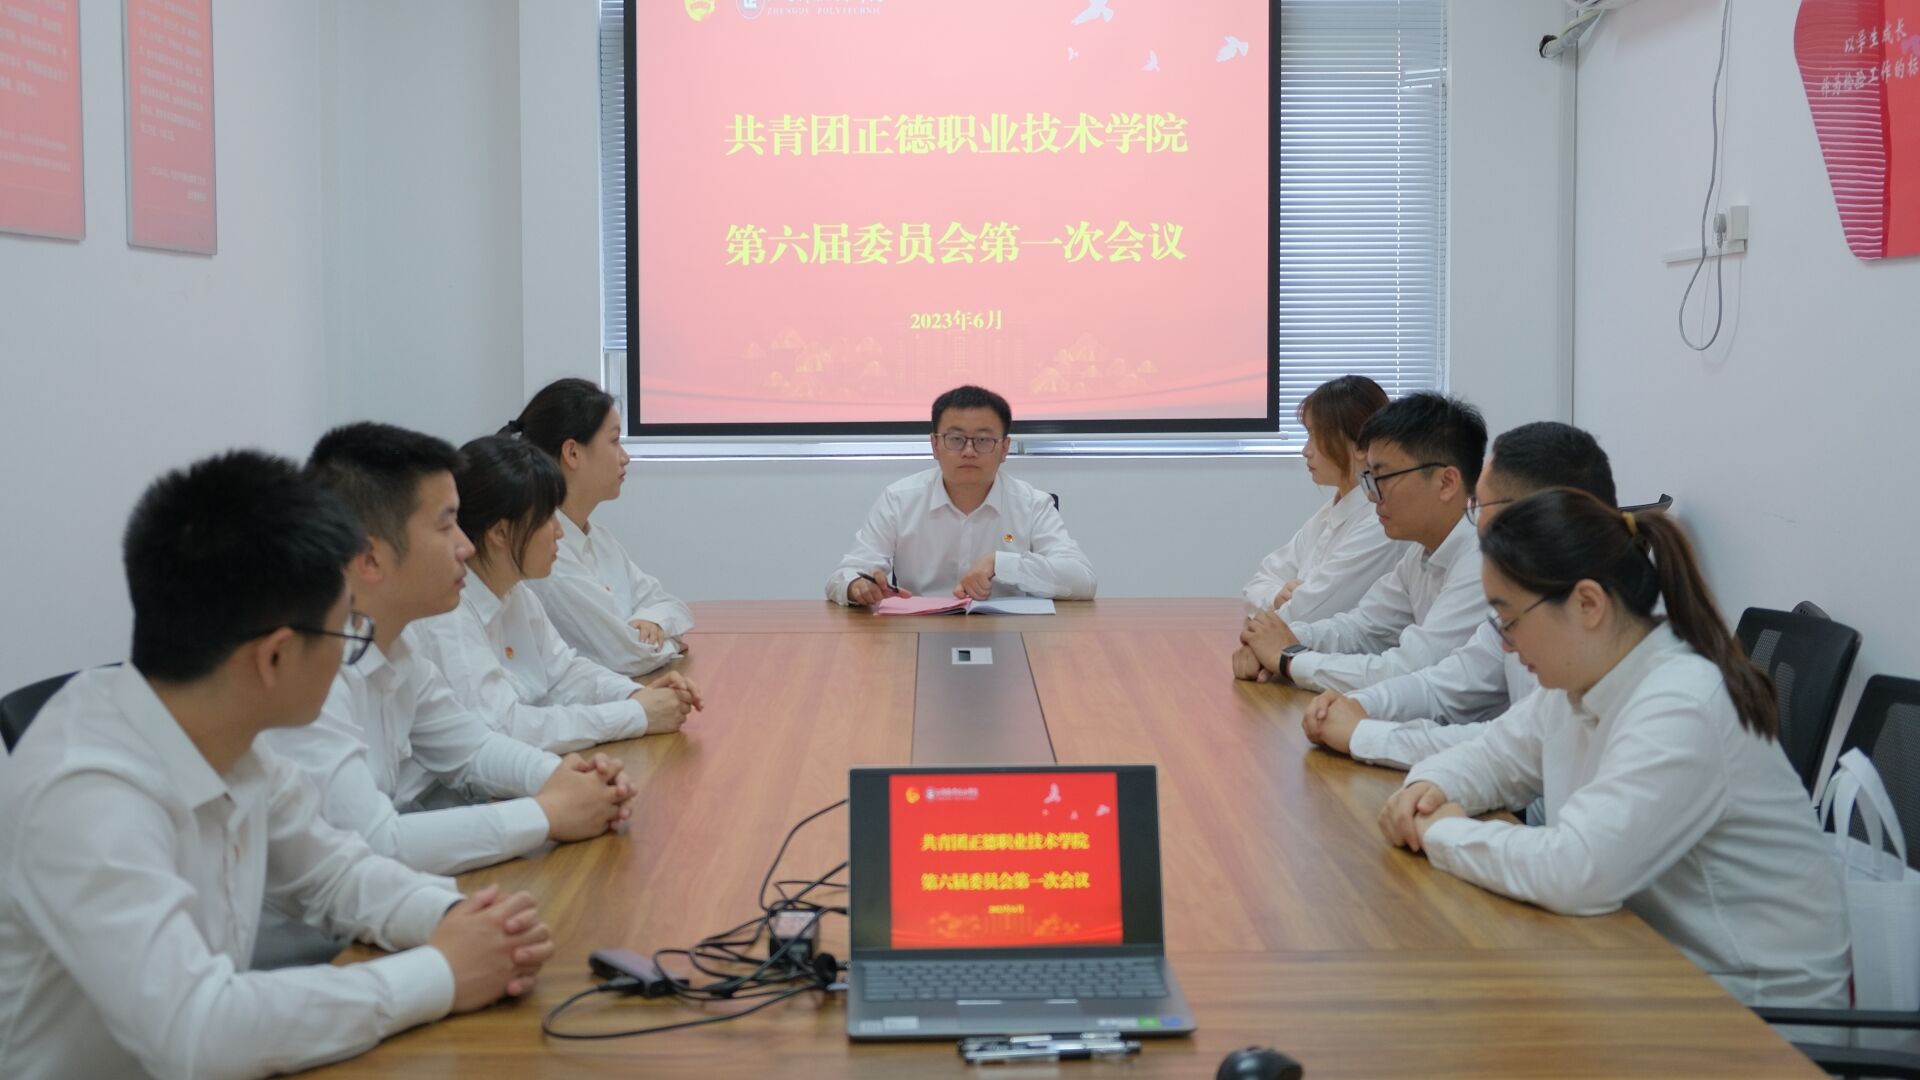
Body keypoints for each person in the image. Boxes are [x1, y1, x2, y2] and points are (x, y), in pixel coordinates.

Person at [0, 451, 553, 1079]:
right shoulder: (85, 791)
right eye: (346, 631)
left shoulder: (230, 736)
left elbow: (336, 874)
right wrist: (441, 972)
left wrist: (457, 920)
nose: (353, 653)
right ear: (274, 658)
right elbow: (198, 1030)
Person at [1377, 489, 1849, 1007]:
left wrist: (1440, 831)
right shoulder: (1583, 678)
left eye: (1509, 621)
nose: (1506, 644)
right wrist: (1431, 786)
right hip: (1647, 964)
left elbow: (1577, 871)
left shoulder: (1681, 704)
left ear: (1588, 604)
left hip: (1755, 1015)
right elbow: (1494, 756)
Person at [261, 423, 637, 876]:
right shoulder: (308, 675)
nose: (465, 545)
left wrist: (563, 778)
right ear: (371, 557)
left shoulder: (396, 646)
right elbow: (376, 842)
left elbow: (473, 747)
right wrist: (549, 813)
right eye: (446, 526)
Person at [1302, 422, 1618, 769]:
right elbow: (1446, 684)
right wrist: (1359, 706)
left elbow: (1507, 748)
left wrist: (1361, 731)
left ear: (1545, 515)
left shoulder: (1648, 689)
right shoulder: (1532, 593)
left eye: (1481, 505)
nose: (1475, 521)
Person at [411, 436, 702, 754]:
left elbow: (565, 673)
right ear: (500, 532)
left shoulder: (515, 593)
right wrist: (635, 714)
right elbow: (502, 729)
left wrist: (634, 695)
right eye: (548, 517)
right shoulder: (447, 614)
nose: (560, 532)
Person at [1237, 392, 1485, 692]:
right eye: (1369, 478)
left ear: (1446, 483)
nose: (1371, 494)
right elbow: (1363, 628)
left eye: (1383, 477)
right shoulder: (1421, 551)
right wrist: (1280, 639)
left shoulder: (1482, 560)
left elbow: (1409, 669)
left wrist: (1287, 657)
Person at [827, 385, 1096, 606]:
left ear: (1004, 448)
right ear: (934, 445)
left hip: (1010, 633)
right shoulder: (899, 500)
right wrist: (856, 586)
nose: (969, 451)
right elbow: (844, 574)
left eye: (983, 440)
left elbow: (1083, 580)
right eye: (955, 439)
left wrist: (1001, 563)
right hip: (919, 633)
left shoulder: (1032, 504)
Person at [514, 379, 694, 676]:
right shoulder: (547, 554)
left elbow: (673, 606)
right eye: (614, 441)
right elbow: (624, 658)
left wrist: (655, 623)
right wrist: (671, 642)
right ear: (572, 453)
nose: (625, 457)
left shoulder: (598, 538)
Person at [1241, 376, 1405, 622]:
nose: (1305, 450)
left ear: (1361, 444)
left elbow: (1306, 613)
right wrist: (1276, 596)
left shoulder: (1380, 524)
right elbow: (1257, 584)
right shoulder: (1329, 513)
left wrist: (1286, 603)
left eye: (1316, 436)